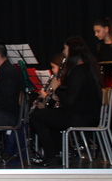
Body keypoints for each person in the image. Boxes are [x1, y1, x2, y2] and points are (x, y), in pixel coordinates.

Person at [30, 37, 102, 166]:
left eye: (65, 48)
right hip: (85, 114)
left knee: (37, 116)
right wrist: (58, 95)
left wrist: (57, 88)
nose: (63, 52)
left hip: (82, 117)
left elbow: (70, 102)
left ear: (72, 50)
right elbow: (75, 97)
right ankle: (60, 152)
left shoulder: (79, 71)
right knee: (48, 116)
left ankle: (52, 155)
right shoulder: (85, 68)